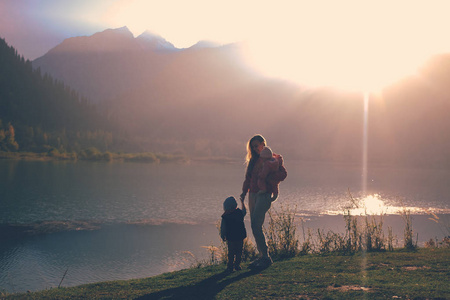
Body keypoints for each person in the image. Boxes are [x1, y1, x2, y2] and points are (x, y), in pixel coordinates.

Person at [240, 134, 287, 268]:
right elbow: (248, 179)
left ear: (263, 144)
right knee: (255, 227)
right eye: (252, 147)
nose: (255, 149)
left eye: (256, 146)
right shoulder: (253, 161)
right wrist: (244, 192)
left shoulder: (274, 158)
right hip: (252, 195)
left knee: (256, 224)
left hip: (264, 195)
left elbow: (283, 174)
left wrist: (268, 180)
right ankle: (263, 256)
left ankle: (266, 257)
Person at [220, 196, 247, 272]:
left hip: (231, 237)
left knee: (231, 252)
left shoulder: (225, 216)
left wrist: (222, 236)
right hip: (240, 236)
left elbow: (223, 228)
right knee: (239, 252)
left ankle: (230, 266)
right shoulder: (239, 213)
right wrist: (242, 202)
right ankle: (237, 265)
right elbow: (245, 211)